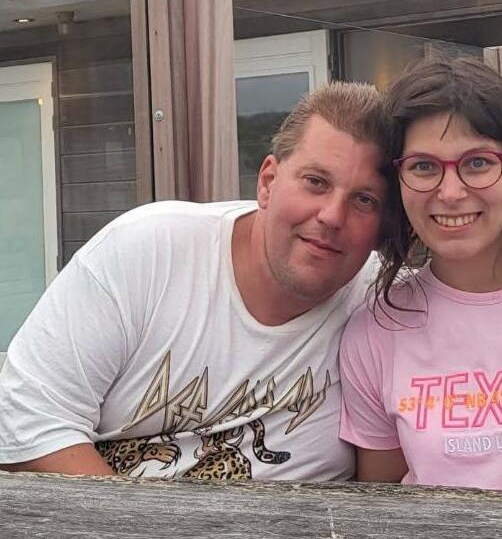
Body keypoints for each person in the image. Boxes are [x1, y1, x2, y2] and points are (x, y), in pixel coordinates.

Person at [0, 81, 390, 481]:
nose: (332, 216)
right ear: (268, 181)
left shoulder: (390, 306)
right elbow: (26, 420)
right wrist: (133, 516)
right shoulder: (149, 252)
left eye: (364, 199)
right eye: (316, 182)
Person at [339, 57, 502, 495]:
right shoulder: (375, 331)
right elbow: (383, 504)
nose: (450, 192)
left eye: (478, 162)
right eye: (423, 166)